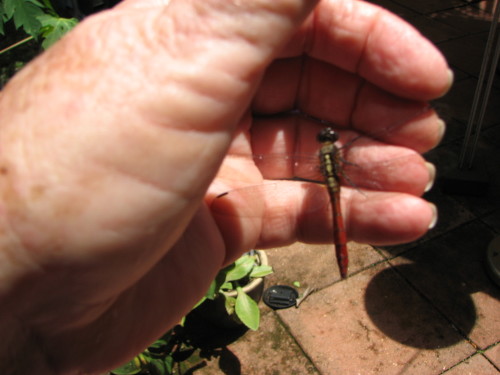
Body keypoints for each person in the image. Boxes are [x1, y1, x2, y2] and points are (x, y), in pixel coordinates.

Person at [0, 0, 451, 373]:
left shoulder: (315, 157)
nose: (328, 139)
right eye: (329, 139)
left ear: (325, 147)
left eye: (328, 140)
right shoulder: (337, 159)